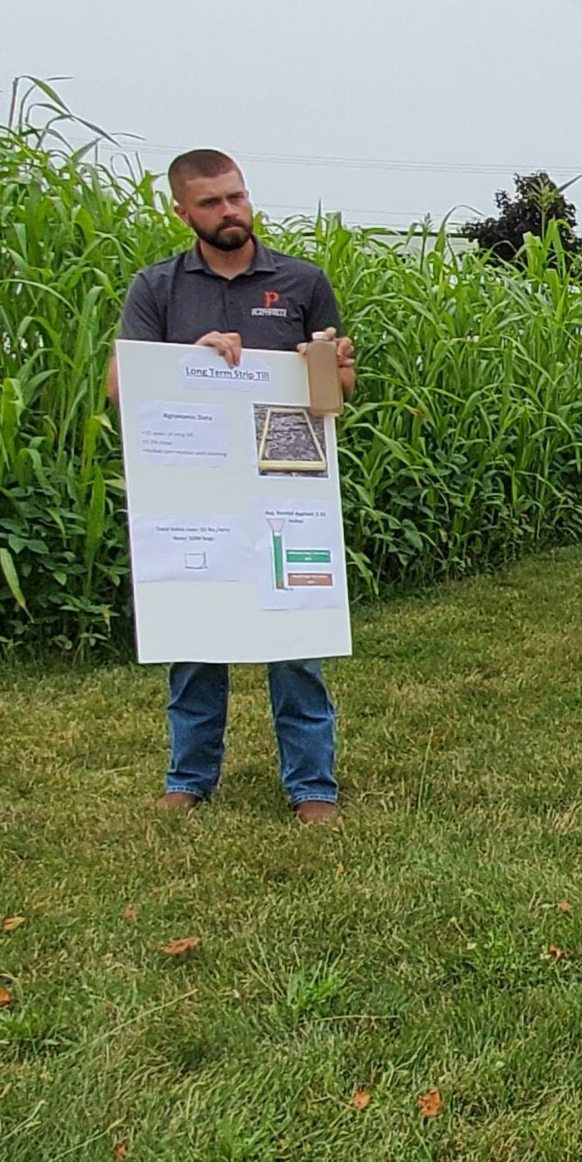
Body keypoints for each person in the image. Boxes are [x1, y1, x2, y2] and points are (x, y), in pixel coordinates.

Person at [109, 150, 356, 824]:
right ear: (182, 210)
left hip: (284, 486)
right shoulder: (157, 288)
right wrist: (191, 361)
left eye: (237, 197)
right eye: (213, 203)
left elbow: (336, 397)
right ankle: (189, 779)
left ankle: (313, 788)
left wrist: (331, 368)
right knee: (194, 636)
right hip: (194, 488)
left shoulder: (302, 281)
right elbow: (121, 386)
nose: (231, 212)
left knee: (296, 643)